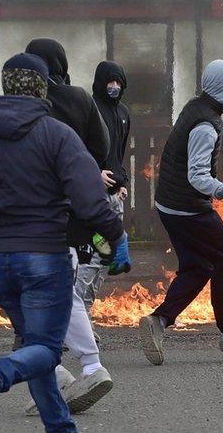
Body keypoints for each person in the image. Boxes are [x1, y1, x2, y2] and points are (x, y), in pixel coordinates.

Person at [0, 53, 124, 433]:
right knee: (47, 351)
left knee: (35, 349)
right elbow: (90, 201)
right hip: (45, 258)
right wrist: (116, 236)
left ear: (6, 86)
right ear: (41, 88)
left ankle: (60, 427)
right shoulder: (56, 134)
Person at [138, 59, 223, 364]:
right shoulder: (206, 128)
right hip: (188, 208)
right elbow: (197, 176)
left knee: (198, 266)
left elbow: (216, 127)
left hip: (170, 204)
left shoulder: (198, 107)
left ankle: (158, 322)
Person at [25, 39, 123, 415]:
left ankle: (62, 376)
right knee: (64, 290)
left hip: (31, 214)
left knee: (37, 297)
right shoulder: (79, 99)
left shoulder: (26, 106)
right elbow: (103, 144)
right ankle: (73, 372)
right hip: (75, 208)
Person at [77, 60, 133, 313]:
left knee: (104, 260)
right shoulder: (88, 109)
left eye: (118, 82)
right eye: (109, 81)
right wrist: (94, 174)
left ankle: (81, 313)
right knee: (90, 257)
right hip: (92, 196)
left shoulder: (123, 113)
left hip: (114, 197)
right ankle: (77, 315)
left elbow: (119, 153)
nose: (114, 86)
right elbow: (77, 149)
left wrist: (122, 182)